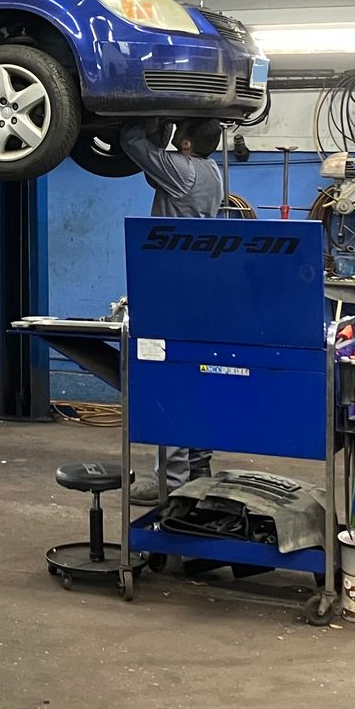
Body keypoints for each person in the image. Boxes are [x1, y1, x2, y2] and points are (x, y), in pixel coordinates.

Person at [115, 117, 224, 505]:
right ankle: (198, 465)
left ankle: (172, 483)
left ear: (189, 144)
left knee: (171, 380)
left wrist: (150, 115)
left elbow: (132, 142)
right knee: (196, 378)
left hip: (174, 289)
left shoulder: (184, 169)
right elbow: (154, 172)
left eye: (181, 137)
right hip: (201, 288)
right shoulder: (212, 170)